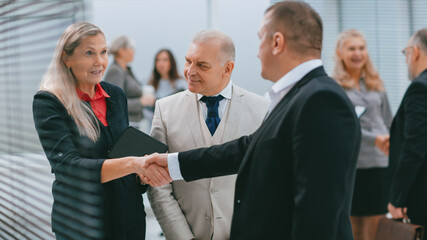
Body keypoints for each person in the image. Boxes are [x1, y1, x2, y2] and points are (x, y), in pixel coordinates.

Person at [142, 1, 361, 239]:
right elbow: (246, 149)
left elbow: (317, 213)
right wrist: (172, 163)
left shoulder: (321, 100)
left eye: (260, 39)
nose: (257, 52)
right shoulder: (300, 96)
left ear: (277, 42)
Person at [32, 22, 169, 240]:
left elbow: (120, 153)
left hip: (128, 220)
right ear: (66, 59)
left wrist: (141, 176)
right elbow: (68, 167)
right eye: (89, 53)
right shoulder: (49, 101)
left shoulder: (116, 95)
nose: (100, 62)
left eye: (103, 52)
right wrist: (134, 163)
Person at [147, 30, 269, 240]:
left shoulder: (262, 109)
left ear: (227, 69)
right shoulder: (165, 109)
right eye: (188, 61)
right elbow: (157, 183)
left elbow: (268, 182)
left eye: (201, 65)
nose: (189, 71)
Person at [333, 29, 392, 240]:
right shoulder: (334, 87)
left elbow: (388, 120)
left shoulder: (377, 83)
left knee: (378, 227)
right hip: (354, 165)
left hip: (380, 163)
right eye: (351, 48)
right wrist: (374, 138)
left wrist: (393, 142)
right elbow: (342, 126)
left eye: (361, 48)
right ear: (340, 53)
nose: (358, 53)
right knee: (355, 228)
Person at [388, 28, 427, 239]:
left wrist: (397, 198)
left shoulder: (419, 88)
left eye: (405, 53)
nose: (406, 60)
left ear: (416, 51)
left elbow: (415, 147)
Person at [104, 36, 155, 128]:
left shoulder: (126, 70)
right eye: (131, 48)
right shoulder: (115, 71)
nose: (134, 51)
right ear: (121, 51)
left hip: (135, 123)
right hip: (125, 126)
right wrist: (141, 102)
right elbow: (114, 102)